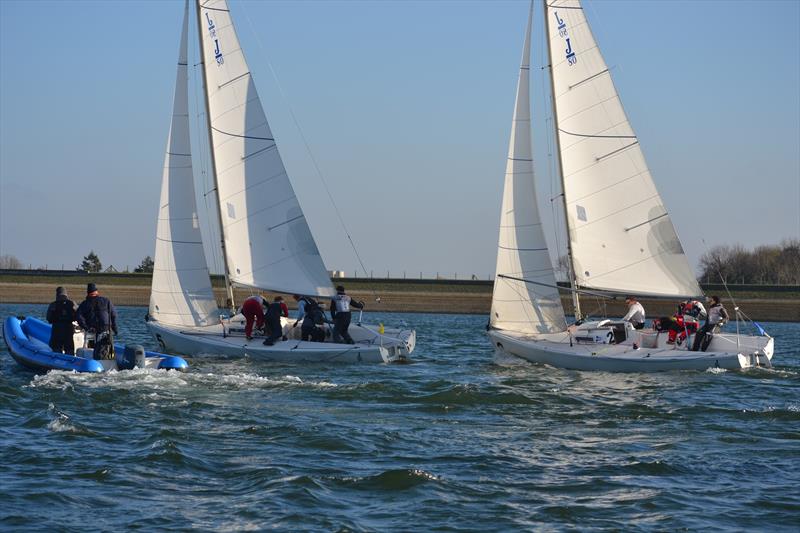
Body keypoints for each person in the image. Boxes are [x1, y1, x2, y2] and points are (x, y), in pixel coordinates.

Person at [76, 283, 118, 359]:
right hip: (106, 328)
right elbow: (113, 315)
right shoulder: (106, 301)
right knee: (109, 346)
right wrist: (115, 328)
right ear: (97, 292)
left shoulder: (84, 304)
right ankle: (111, 358)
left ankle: (94, 359)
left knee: (95, 346)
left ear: (88, 293)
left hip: (92, 329)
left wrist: (86, 327)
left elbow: (79, 317)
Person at [46, 286, 77, 354]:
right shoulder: (72, 304)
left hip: (57, 329)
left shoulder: (53, 304)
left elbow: (48, 318)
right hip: (68, 329)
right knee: (69, 349)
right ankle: (69, 362)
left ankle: (56, 363)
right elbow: (77, 315)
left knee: (56, 349)